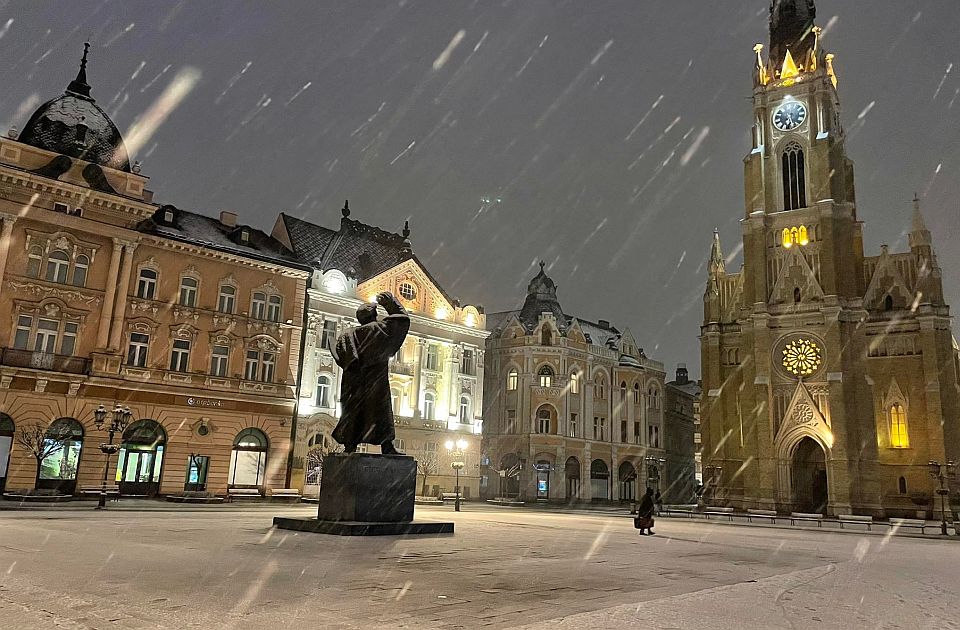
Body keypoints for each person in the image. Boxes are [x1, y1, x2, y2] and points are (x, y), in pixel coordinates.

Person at [331, 291, 410, 454]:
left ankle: (349, 445)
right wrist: (390, 304)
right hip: (376, 381)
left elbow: (341, 356)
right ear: (374, 315)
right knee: (381, 412)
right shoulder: (380, 329)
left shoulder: (348, 335)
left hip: (355, 384)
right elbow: (403, 320)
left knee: (353, 412)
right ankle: (386, 446)